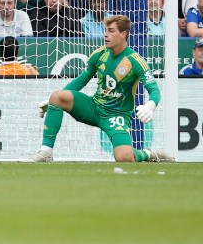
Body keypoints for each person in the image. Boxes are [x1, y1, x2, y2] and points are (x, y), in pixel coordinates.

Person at [29, 15, 173, 163]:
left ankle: (147, 154)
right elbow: (82, 79)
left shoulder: (135, 61)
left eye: (111, 31)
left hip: (117, 115)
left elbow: (154, 90)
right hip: (94, 107)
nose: (105, 34)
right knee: (57, 96)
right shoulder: (99, 54)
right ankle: (46, 152)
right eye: (105, 30)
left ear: (123, 34)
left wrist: (150, 105)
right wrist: (53, 101)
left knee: (124, 158)